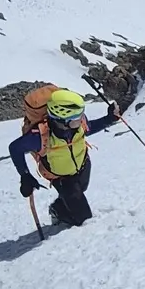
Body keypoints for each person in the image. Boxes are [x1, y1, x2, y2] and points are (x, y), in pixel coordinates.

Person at [10, 88, 119, 227]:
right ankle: (59, 211)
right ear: (62, 120)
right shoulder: (39, 136)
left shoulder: (77, 125)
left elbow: (89, 127)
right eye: (77, 117)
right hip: (62, 178)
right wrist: (25, 175)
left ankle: (62, 204)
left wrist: (109, 118)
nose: (82, 120)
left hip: (83, 165)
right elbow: (15, 148)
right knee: (84, 219)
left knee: (81, 188)